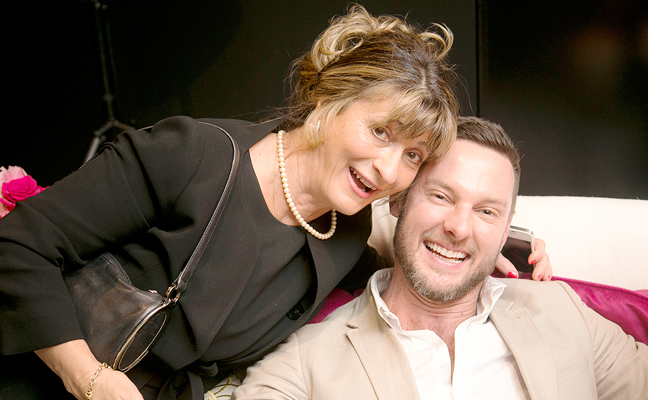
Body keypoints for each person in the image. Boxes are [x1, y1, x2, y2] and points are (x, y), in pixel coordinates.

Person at [0, 5, 553, 400]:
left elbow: (403, 265)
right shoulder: (191, 156)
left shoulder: (345, 230)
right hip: (43, 376)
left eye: (412, 155)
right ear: (330, 98)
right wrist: (89, 378)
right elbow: (19, 243)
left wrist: (492, 245)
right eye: (380, 131)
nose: (389, 169)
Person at [234, 116, 648, 400]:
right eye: (441, 196)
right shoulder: (308, 357)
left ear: (506, 229)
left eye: (486, 211)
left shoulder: (561, 312)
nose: (459, 227)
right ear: (398, 202)